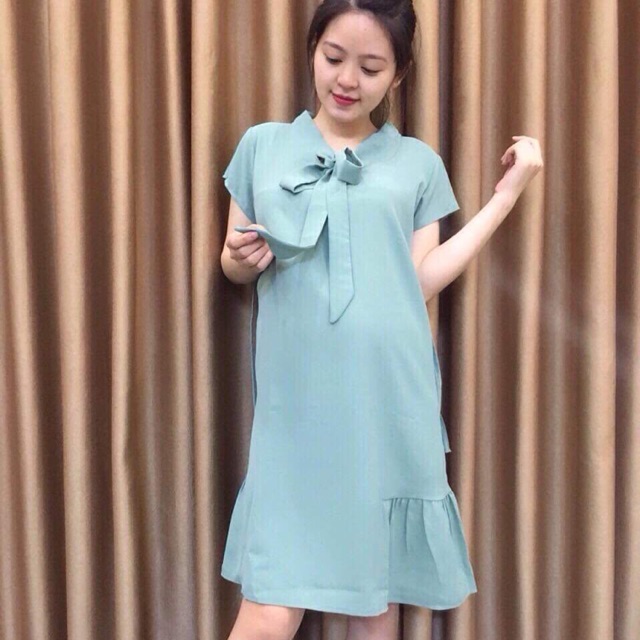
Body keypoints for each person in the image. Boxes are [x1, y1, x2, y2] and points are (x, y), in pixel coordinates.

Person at [219, 1, 543, 638]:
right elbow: (234, 266)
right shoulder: (263, 146)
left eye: (370, 68)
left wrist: (504, 199)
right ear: (312, 51)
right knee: (270, 608)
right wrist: (236, 258)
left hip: (388, 398)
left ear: (398, 75)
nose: (347, 80)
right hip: (296, 408)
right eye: (333, 58)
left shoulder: (417, 163)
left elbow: (418, 280)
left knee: (374, 606)